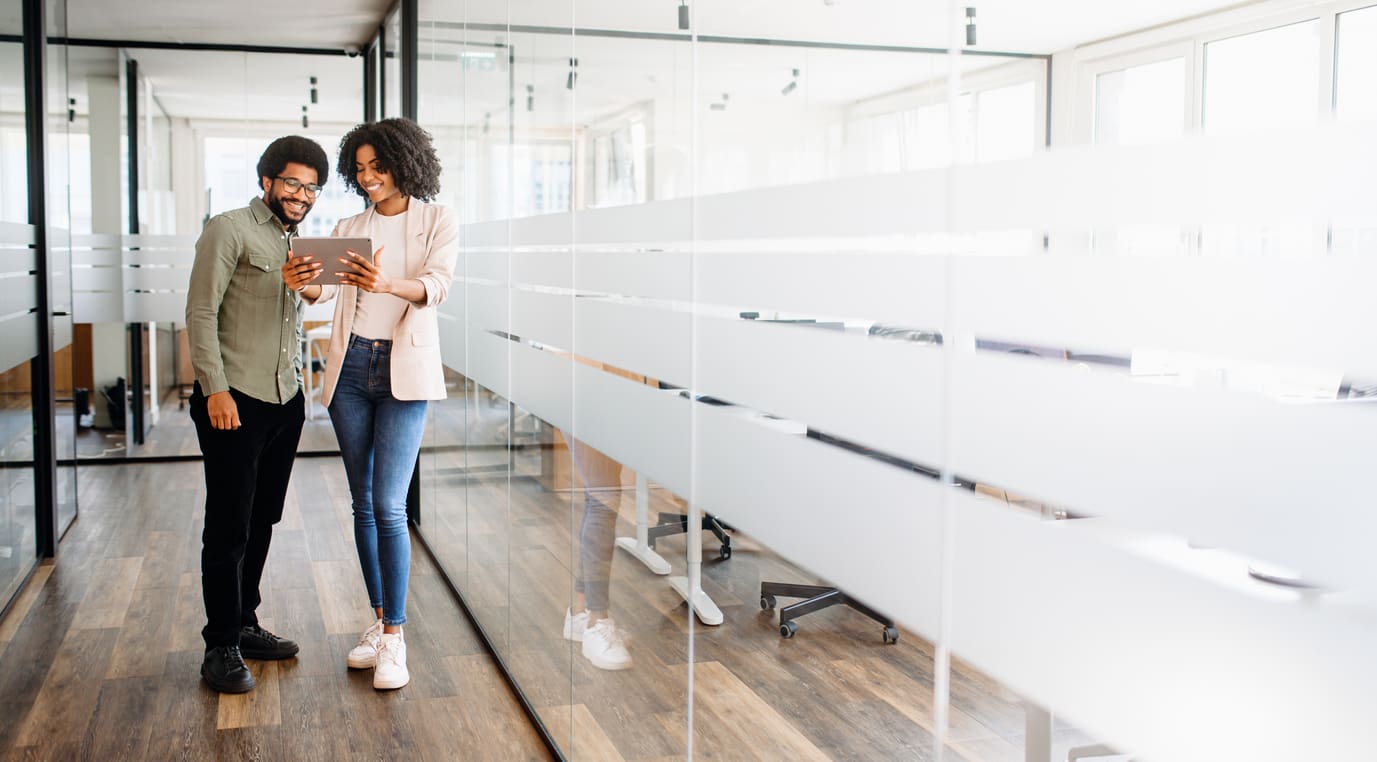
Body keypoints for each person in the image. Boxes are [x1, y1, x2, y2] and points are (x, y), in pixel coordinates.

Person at [282, 118, 457, 690]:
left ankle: (396, 639)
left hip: (405, 369)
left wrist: (385, 284)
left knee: (388, 503)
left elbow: (436, 286)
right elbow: (325, 291)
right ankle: (380, 624)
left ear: (404, 163)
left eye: (377, 166)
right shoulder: (349, 225)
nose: (368, 177)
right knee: (362, 503)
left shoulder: (436, 220)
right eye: (359, 169)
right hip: (352, 369)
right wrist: (302, 281)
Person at [185, 135, 330, 693]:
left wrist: (311, 289)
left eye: (312, 187)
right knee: (227, 525)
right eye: (293, 182)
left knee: (262, 517)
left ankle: (244, 623)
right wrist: (213, 390)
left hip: (284, 399)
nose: (302, 195)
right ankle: (219, 644)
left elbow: (295, 305)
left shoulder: (298, 241)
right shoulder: (228, 228)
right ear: (266, 180)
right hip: (235, 398)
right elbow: (201, 312)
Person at [562, 438, 634, 670]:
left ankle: (581, 612)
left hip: (602, 407)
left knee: (599, 495)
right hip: (589, 406)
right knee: (604, 498)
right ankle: (596, 621)